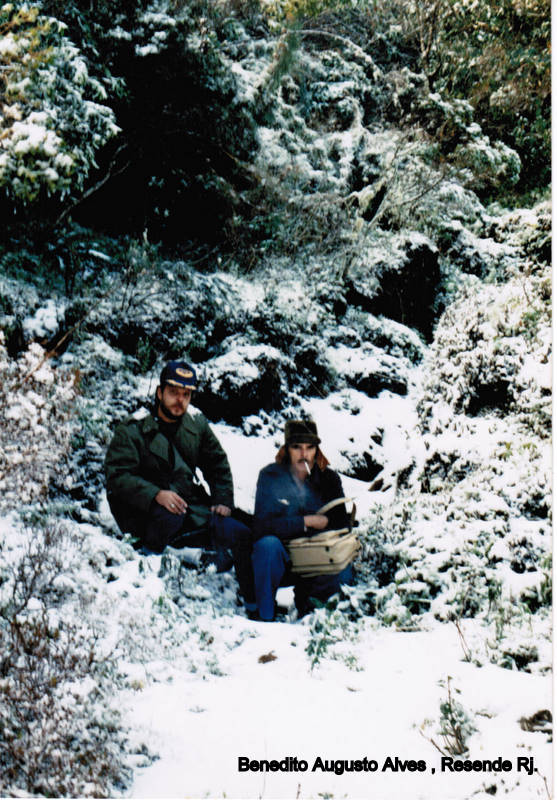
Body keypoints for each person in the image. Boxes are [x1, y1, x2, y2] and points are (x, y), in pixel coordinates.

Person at [104, 359, 256, 613]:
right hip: (145, 514)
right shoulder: (133, 429)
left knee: (242, 529)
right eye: (173, 392)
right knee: (170, 512)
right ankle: (149, 561)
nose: (180, 400)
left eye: (186, 394)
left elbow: (217, 464)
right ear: (160, 392)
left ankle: (253, 602)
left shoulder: (195, 424)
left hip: (187, 507)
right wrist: (155, 494)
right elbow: (117, 477)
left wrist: (222, 500)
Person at [252, 419, 352, 621]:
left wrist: (324, 524)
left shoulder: (329, 478)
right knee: (266, 546)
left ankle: (323, 615)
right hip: (282, 557)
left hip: (316, 557)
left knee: (342, 560)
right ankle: (265, 617)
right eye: (297, 447)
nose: (304, 454)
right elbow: (261, 525)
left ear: (317, 450)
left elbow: (341, 523)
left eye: (310, 447)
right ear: (287, 449)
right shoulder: (270, 476)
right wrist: (305, 521)